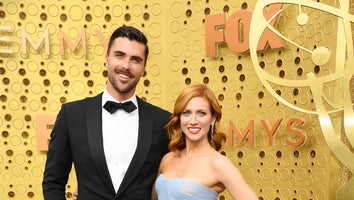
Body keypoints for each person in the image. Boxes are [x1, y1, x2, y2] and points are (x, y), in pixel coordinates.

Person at [42, 25, 171, 200]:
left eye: (135, 59)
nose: (126, 66)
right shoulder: (71, 115)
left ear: (144, 67)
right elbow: (53, 183)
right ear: (107, 59)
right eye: (119, 55)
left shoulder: (163, 121)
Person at [152, 83, 258, 200]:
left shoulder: (218, 163)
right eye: (186, 113)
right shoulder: (168, 159)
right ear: (180, 117)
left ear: (213, 118)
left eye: (201, 113)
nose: (193, 121)